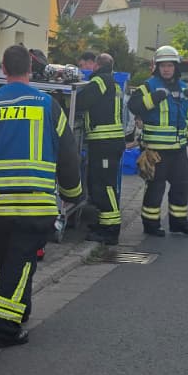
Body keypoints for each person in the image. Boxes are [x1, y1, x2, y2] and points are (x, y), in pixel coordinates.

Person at [0, 45, 82, 349]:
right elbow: (68, 155)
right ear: (30, 70)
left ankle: (19, 311)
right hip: (34, 205)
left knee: (9, 259)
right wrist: (72, 194)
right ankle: (2, 330)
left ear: (3, 70)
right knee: (20, 263)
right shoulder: (48, 106)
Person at [129, 45, 188, 237]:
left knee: (182, 187)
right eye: (163, 66)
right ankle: (151, 225)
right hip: (155, 150)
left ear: (176, 67)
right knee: (155, 189)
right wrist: (153, 98)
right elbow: (133, 105)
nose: (166, 69)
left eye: (170, 65)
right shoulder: (148, 86)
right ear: (157, 67)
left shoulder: (183, 88)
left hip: (178, 150)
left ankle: (179, 223)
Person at [78, 51, 124, 245]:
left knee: (105, 186)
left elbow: (82, 102)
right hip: (105, 142)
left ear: (95, 65)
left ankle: (111, 230)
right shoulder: (111, 81)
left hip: (105, 142)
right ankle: (103, 224)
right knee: (98, 184)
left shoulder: (100, 81)